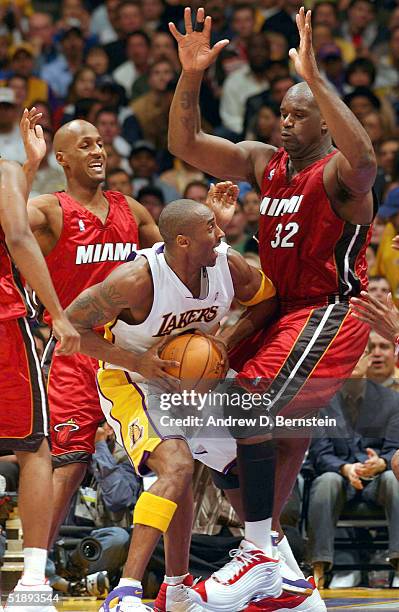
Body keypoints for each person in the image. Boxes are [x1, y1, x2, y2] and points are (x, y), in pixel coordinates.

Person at [168, 6, 376, 610]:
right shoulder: (266, 163)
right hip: (280, 314)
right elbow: (184, 143)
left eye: (299, 114)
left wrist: (316, 76)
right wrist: (190, 74)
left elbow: (363, 157)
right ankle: (279, 563)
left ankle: (258, 553)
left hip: (331, 314)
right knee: (211, 423)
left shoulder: (340, 174)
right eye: (282, 113)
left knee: (247, 406)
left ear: (323, 122)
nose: (285, 123)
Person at [65, 198, 277, 612]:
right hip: (135, 379)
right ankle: (124, 592)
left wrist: (224, 342)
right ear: (182, 241)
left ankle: (259, 562)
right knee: (176, 465)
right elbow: (69, 328)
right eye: (211, 230)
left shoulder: (227, 264)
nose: (222, 234)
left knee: (253, 449)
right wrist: (136, 360)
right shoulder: (136, 280)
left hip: (197, 378)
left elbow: (267, 301)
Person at [21, 111, 162, 554]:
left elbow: (172, 262)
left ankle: (167, 574)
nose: (98, 151)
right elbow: (9, 220)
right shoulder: (48, 209)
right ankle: (34, 568)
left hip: (128, 350)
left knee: (168, 458)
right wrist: (29, 165)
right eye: (86, 145)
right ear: (61, 158)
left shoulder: (130, 209)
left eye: (100, 143)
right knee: (70, 463)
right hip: (74, 353)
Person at [0, 155, 79, 612]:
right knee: (34, 450)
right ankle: (32, 582)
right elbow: (15, 233)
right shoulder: (3, 170)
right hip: (5, 324)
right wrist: (58, 312)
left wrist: (29, 168)